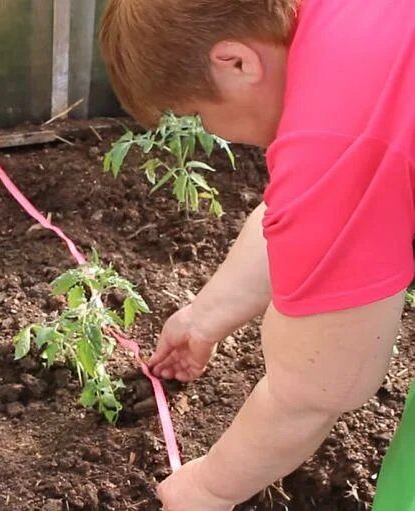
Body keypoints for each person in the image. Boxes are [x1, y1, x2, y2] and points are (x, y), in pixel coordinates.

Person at [99, 1, 415, 509]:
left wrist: (208, 489)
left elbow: (322, 384)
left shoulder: (336, 133)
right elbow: (298, 212)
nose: (210, 130)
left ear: (236, 62)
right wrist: (206, 315)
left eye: (197, 113)